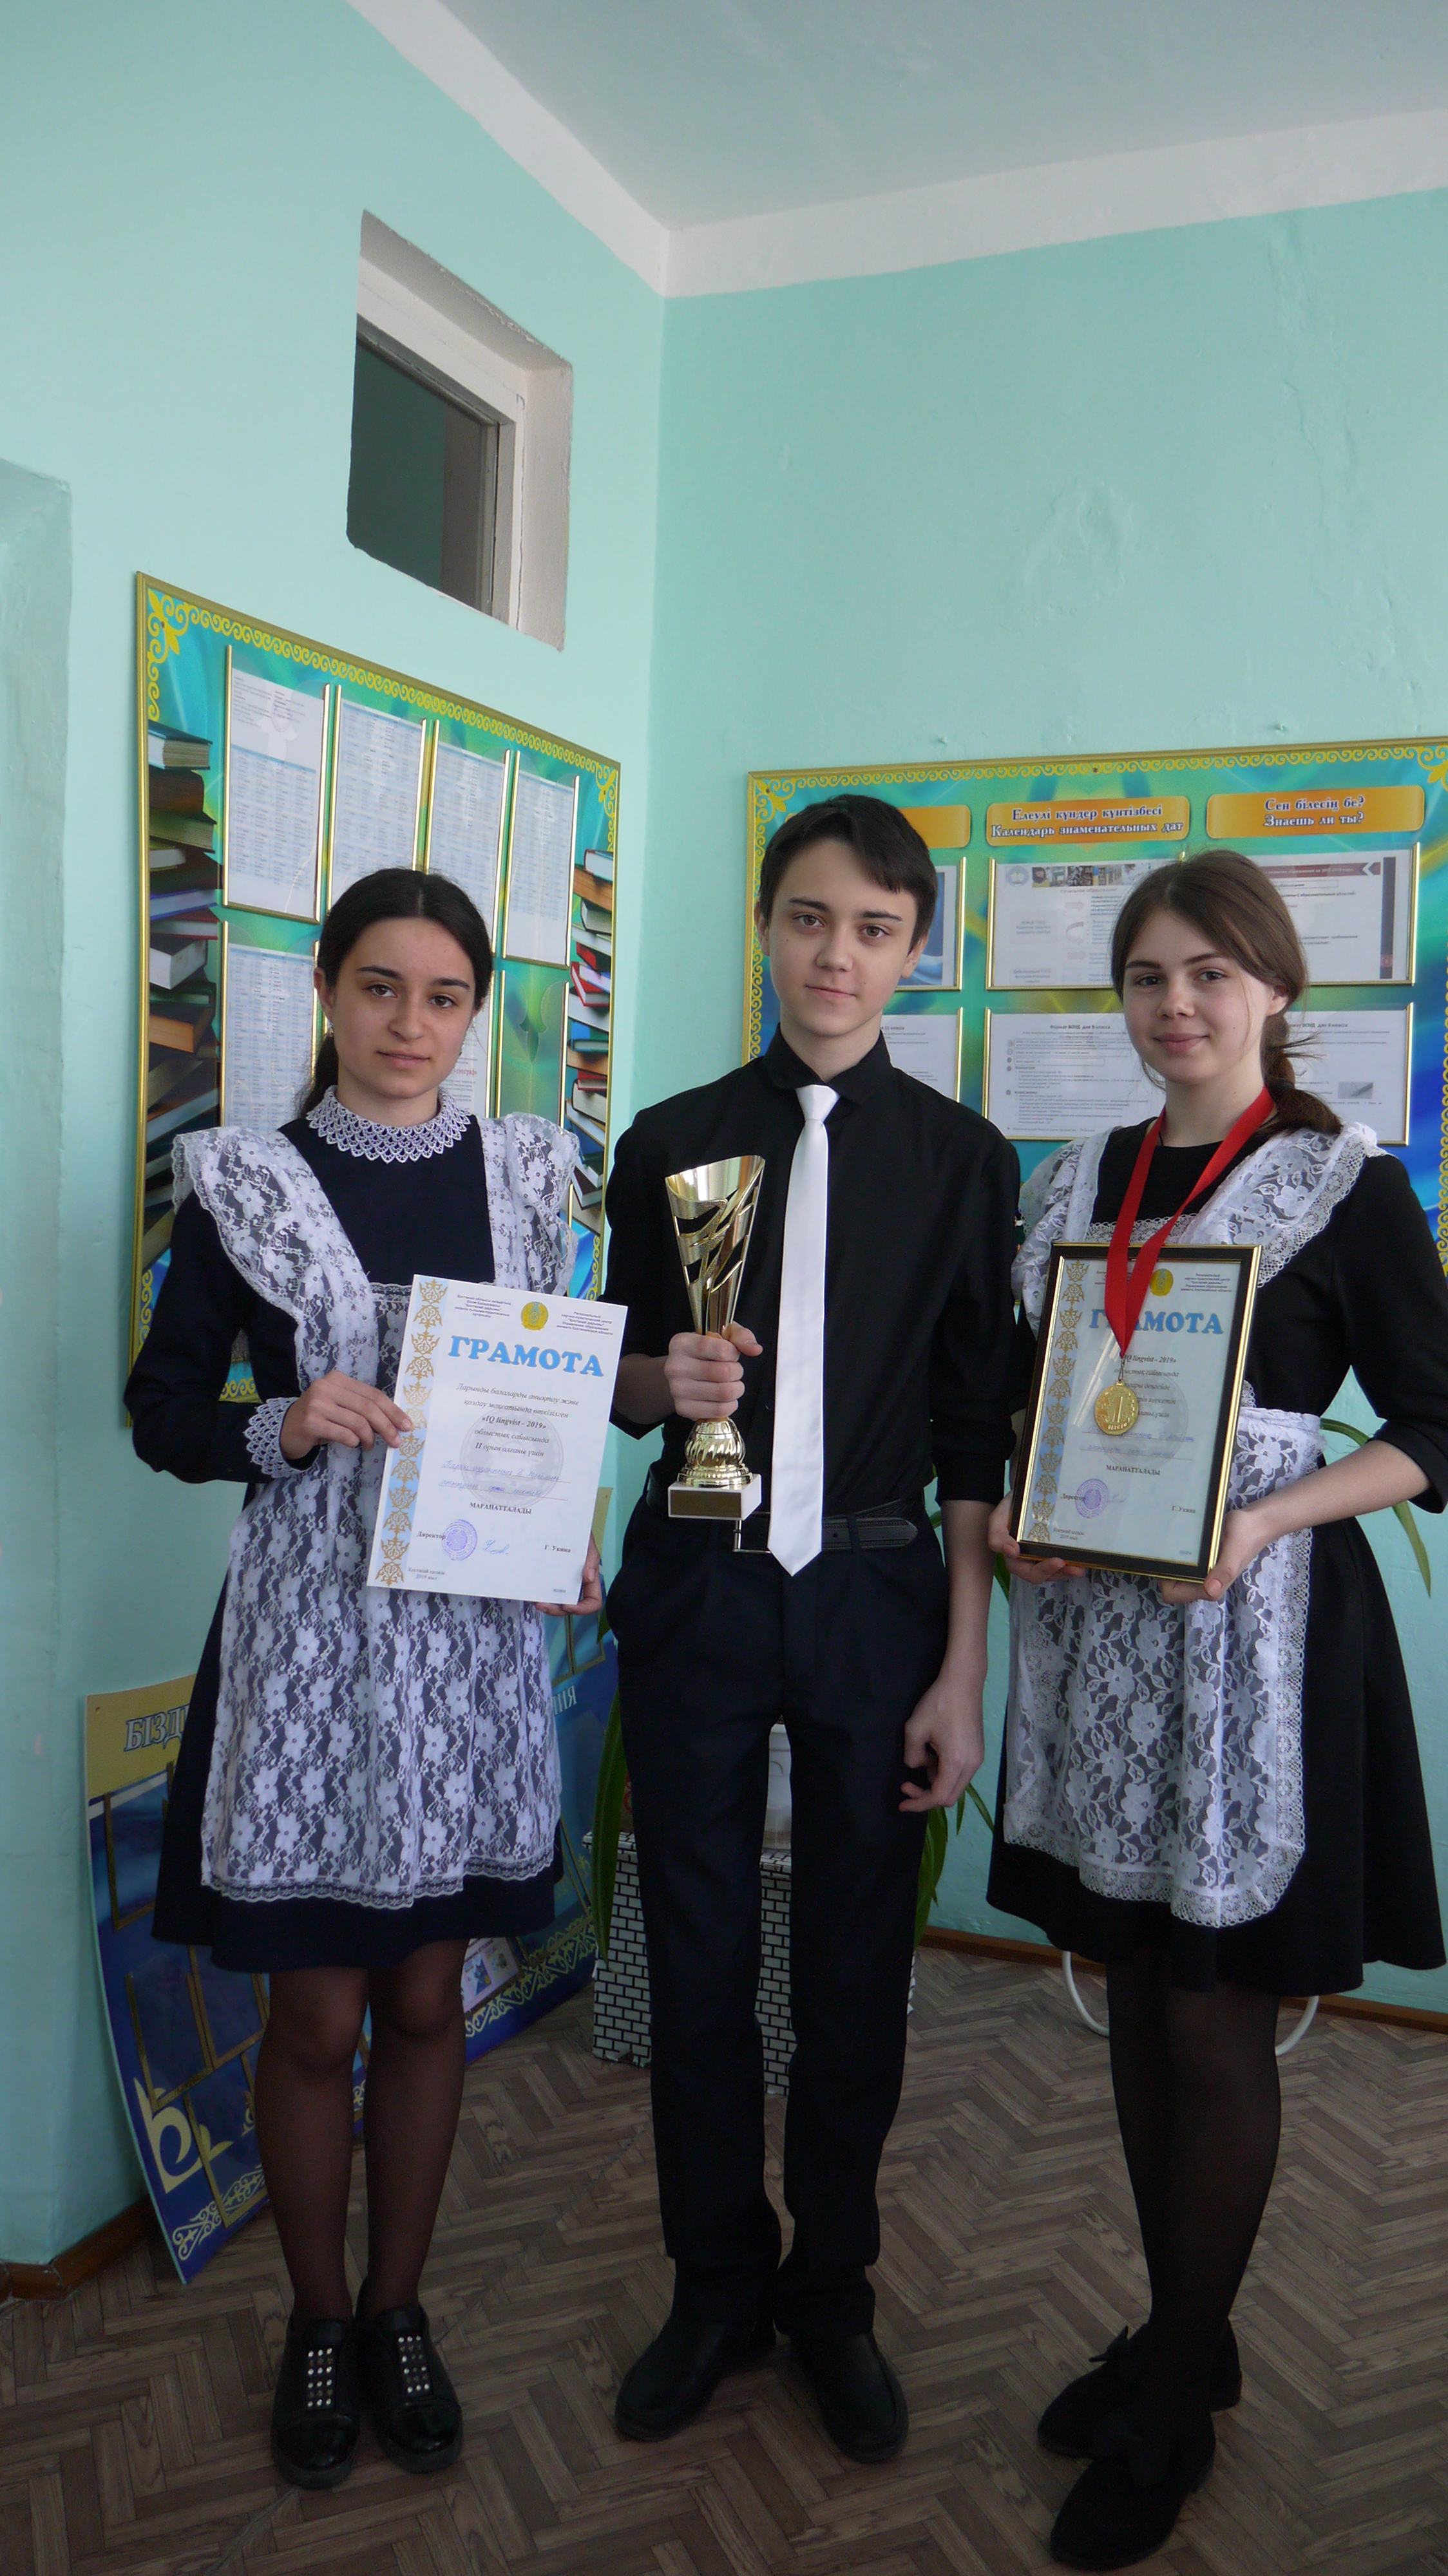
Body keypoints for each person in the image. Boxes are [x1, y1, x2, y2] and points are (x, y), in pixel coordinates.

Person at [987, 850, 1448, 2570]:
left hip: (1253, 1640)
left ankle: (1170, 2401)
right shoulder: (1079, 1177)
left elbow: (1436, 1428)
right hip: (1102, 1642)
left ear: (1274, 989)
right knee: (1129, 1989)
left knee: (1210, 2020)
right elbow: (1039, 1394)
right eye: (1146, 975)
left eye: (1209, 974)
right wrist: (1030, 1504)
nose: (1175, 1005)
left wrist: (1263, 1518)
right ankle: (1187, 2323)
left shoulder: (1341, 1183)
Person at [126, 867, 600, 2492]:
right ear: (326, 990)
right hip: (311, 1641)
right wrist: (282, 1420)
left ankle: (400, 2306)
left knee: (422, 1996)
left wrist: (569, 1525)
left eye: (444, 995)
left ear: (475, 1012)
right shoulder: (247, 1181)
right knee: (316, 2006)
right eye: (380, 986)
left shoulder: (528, 1175)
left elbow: (550, 1392)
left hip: (469, 1639)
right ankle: (317, 2317)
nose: (411, 1022)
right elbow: (161, 1409)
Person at [602, 795, 1021, 2462]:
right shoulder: (672, 1137)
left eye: (871, 928)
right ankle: (715, 2285)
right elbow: (608, 1373)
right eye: (806, 918)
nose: (833, 954)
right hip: (699, 1585)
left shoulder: (964, 1163)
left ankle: (831, 2296)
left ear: (913, 951)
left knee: (854, 1974)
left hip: (876, 1595)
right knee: (695, 1956)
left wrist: (963, 1664)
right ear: (765, 926)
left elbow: (977, 1430)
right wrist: (664, 1375)